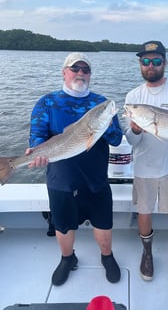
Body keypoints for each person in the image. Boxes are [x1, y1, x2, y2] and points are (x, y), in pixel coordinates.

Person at [26, 52, 122, 286]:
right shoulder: (47, 102)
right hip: (61, 179)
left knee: (103, 222)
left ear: (90, 75)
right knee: (63, 224)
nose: (80, 73)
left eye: (85, 69)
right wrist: (37, 152)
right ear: (64, 72)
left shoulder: (102, 104)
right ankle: (67, 259)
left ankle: (107, 257)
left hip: (95, 178)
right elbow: (37, 136)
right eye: (74, 68)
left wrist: (106, 125)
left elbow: (117, 139)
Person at [124, 41, 168, 287]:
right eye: (145, 61)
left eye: (155, 61)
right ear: (140, 64)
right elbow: (131, 140)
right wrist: (134, 129)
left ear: (165, 62)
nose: (150, 65)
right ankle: (147, 254)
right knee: (144, 212)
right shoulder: (134, 97)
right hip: (144, 167)